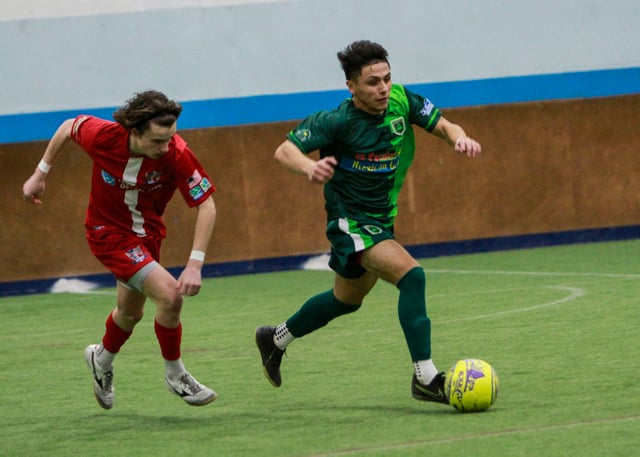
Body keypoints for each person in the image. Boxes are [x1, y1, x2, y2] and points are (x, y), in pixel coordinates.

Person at [255, 40, 481, 404]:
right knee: (412, 276)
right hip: (352, 222)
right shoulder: (336, 122)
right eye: (373, 82)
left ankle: (275, 338)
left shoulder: (402, 102)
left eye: (387, 78)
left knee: (346, 300)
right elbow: (285, 150)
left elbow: (443, 125)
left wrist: (460, 138)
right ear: (352, 87)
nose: (383, 88)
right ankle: (425, 376)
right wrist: (310, 166)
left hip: (381, 220)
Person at [22, 90, 218, 409]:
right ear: (134, 132)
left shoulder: (177, 154)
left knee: (130, 313)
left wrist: (195, 263)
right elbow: (68, 126)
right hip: (107, 234)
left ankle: (101, 359)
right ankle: (175, 374)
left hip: (148, 237)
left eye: (170, 138)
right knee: (170, 296)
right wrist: (40, 173)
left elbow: (206, 204)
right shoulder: (103, 137)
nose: (165, 147)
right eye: (157, 141)